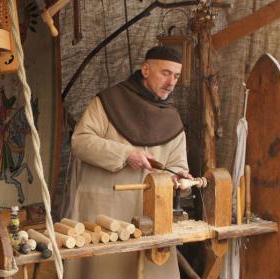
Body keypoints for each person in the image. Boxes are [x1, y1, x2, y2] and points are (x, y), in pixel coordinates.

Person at [64, 46, 191, 279]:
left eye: (176, 76)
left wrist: (180, 176)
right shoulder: (108, 102)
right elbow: (80, 142)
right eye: (165, 73)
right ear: (145, 69)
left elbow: (177, 163)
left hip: (150, 214)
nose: (171, 82)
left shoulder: (172, 118)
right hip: (105, 214)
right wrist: (125, 154)